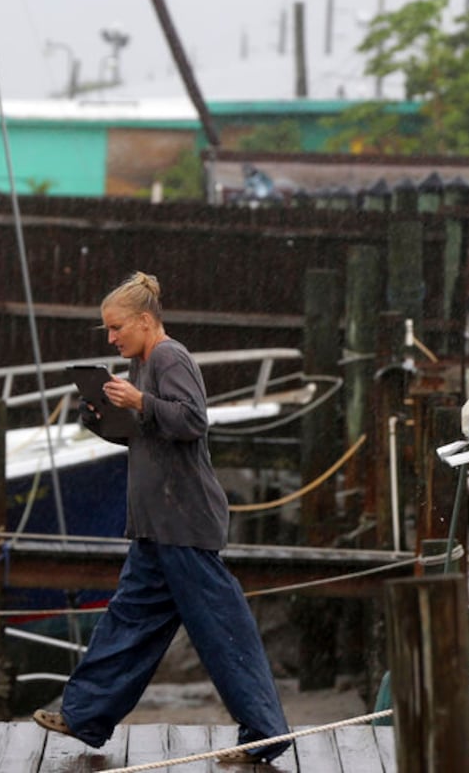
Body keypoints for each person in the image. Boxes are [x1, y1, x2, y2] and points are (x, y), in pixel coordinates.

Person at [33, 271, 290, 765]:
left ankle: (265, 733)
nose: (111, 338)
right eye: (106, 331)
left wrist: (142, 402)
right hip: (155, 526)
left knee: (222, 632)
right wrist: (100, 415)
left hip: (184, 524)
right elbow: (143, 434)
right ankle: (84, 714)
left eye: (116, 328)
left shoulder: (170, 356)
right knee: (127, 623)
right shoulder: (142, 365)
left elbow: (193, 421)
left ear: (146, 322)